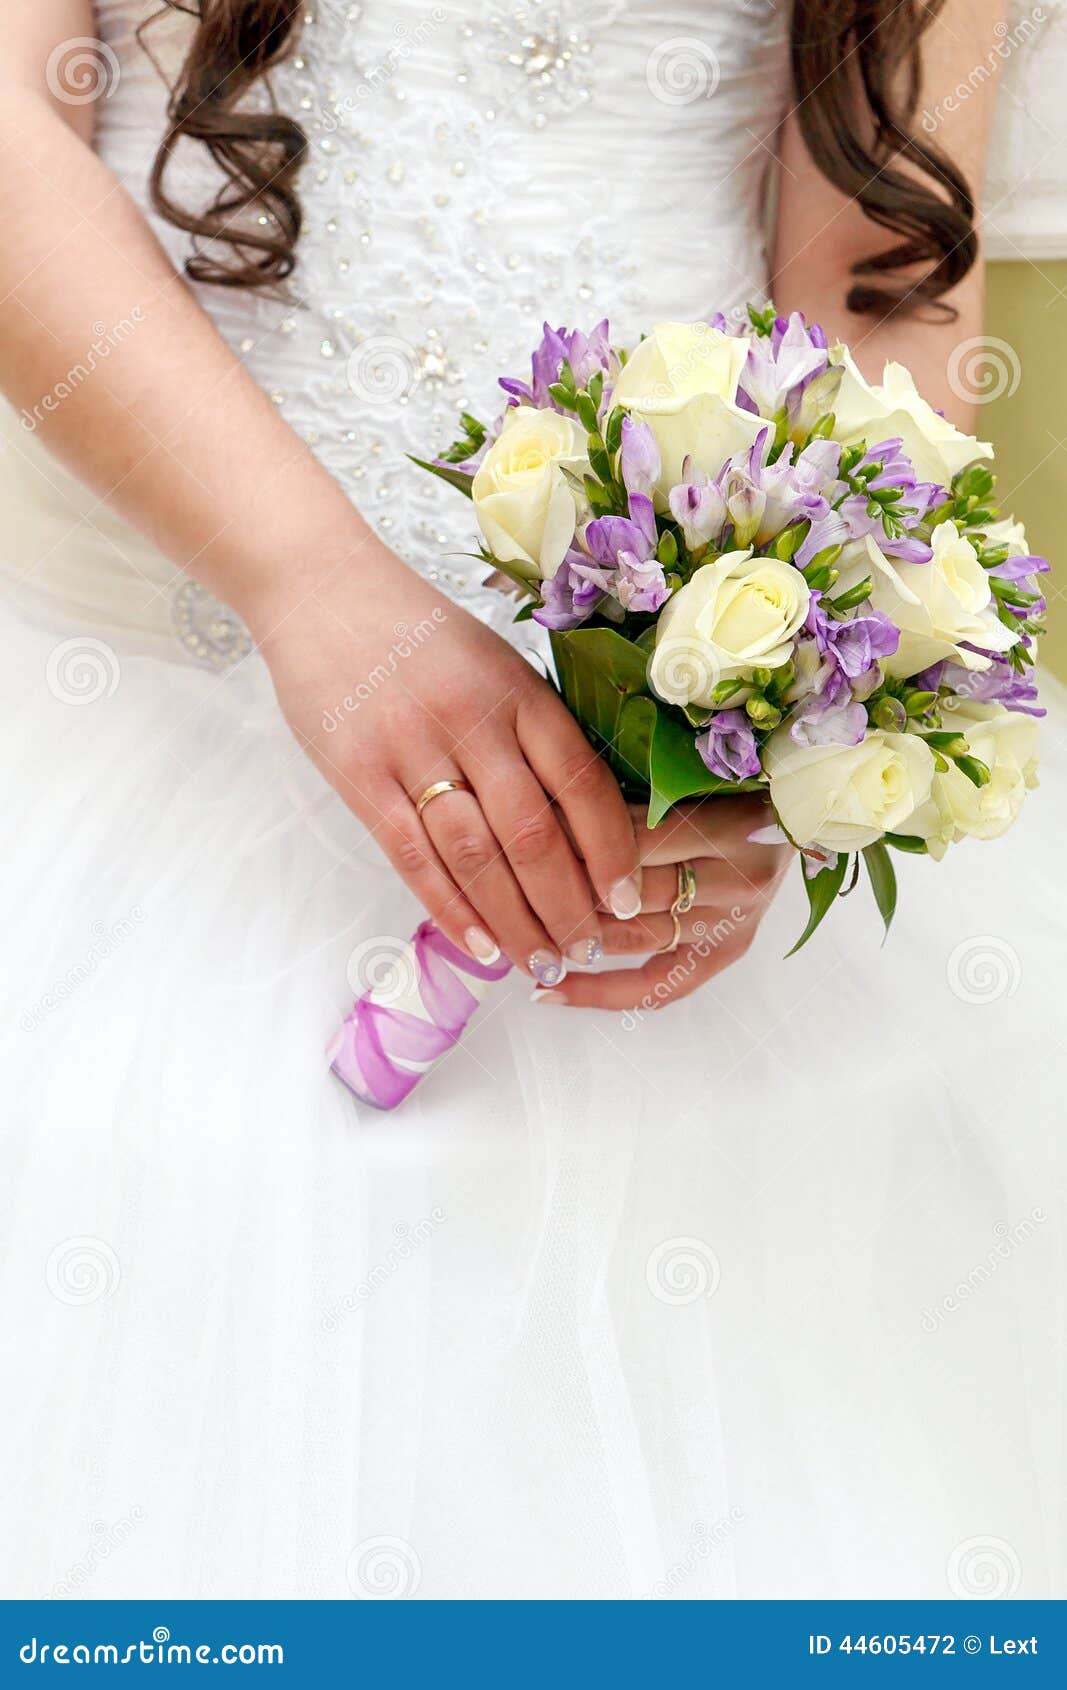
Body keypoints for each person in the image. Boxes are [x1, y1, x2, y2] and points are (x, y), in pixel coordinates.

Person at [0, 0, 1061, 1598]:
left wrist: (787, 716)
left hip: (655, 798)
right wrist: (315, 592)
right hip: (155, 752)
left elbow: (884, 268)